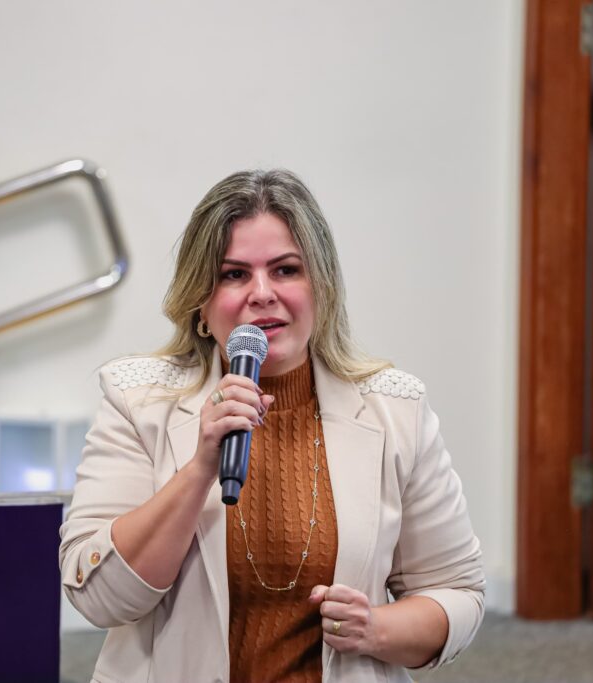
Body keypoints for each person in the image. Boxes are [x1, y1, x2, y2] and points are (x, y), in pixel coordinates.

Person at [59, 169, 484, 683]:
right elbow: (99, 598)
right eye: (234, 275)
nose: (262, 293)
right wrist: (199, 469)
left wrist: (376, 629)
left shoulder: (396, 409)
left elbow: (458, 593)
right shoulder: (137, 400)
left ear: (321, 288)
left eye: (285, 270)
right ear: (200, 303)